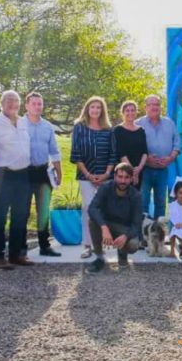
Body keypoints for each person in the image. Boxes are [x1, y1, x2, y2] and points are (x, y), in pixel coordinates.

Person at [0, 90, 34, 269]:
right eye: (8, 101)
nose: (12, 104)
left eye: (15, 101)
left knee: (21, 216)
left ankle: (17, 254)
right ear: (1, 103)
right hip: (2, 175)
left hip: (23, 174)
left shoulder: (23, 122)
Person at [71, 96, 116, 259]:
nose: (95, 110)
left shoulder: (108, 130)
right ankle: (88, 245)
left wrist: (105, 174)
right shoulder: (79, 127)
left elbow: (113, 155)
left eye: (98, 107)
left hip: (106, 177)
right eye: (92, 107)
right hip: (86, 177)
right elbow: (75, 154)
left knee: (103, 210)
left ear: (102, 110)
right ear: (87, 109)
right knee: (88, 209)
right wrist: (89, 175)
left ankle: (100, 245)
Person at [25, 92, 63, 257]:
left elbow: (54, 151)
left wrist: (59, 172)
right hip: (23, 173)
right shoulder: (19, 124)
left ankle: (44, 245)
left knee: (43, 211)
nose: (37, 106)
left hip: (43, 173)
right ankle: (20, 246)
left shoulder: (47, 126)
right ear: (26, 106)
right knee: (22, 211)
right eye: (34, 103)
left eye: (40, 103)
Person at [85, 163, 143, 273]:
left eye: (126, 177)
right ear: (115, 176)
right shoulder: (105, 188)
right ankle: (99, 258)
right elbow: (92, 208)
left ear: (131, 179)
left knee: (133, 244)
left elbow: (137, 223)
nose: (123, 181)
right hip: (106, 223)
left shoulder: (136, 196)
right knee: (92, 221)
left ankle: (122, 254)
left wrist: (126, 236)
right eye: (120, 177)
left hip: (123, 228)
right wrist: (104, 227)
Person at [137, 94, 181, 220]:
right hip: (145, 170)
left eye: (156, 104)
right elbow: (133, 147)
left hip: (163, 170)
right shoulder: (138, 124)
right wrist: (146, 158)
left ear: (160, 107)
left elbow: (177, 144)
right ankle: (144, 235)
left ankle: (159, 236)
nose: (154, 107)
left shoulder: (169, 123)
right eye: (150, 104)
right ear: (145, 107)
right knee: (143, 202)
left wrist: (171, 158)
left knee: (161, 203)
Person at [113, 100, 148, 190]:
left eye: (133, 110)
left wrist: (139, 169)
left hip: (139, 171)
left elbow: (145, 152)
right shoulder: (118, 130)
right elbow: (121, 153)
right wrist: (132, 172)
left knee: (135, 199)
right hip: (123, 173)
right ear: (122, 113)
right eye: (127, 110)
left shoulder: (141, 130)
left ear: (136, 112)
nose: (130, 113)